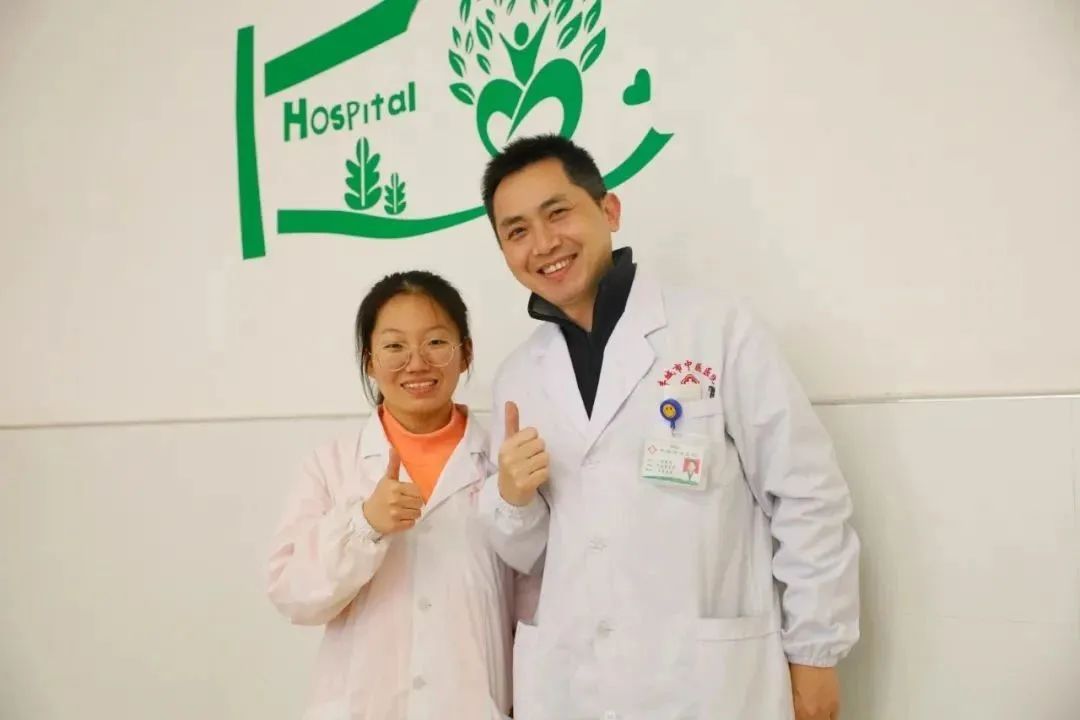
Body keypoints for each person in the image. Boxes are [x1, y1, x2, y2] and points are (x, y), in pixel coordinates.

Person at [476, 135, 860, 720]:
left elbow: (807, 494)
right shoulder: (516, 378)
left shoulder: (716, 330)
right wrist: (512, 499)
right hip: (574, 683)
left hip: (702, 683)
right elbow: (529, 556)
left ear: (608, 210)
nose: (544, 243)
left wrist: (815, 652)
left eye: (558, 213)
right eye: (517, 231)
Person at [267, 271, 515, 720]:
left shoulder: (506, 462)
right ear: (370, 361)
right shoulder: (332, 466)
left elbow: (534, 599)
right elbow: (292, 595)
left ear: (465, 353)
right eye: (395, 346)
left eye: (436, 342)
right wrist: (363, 524)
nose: (416, 363)